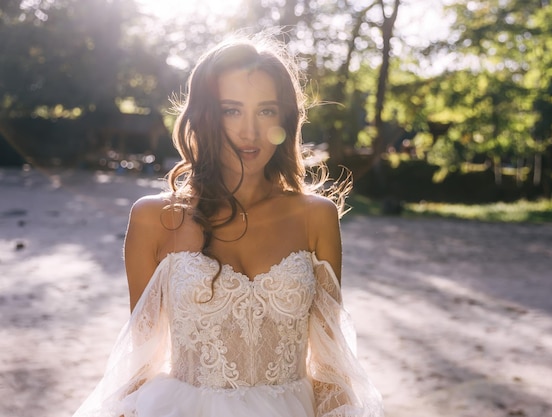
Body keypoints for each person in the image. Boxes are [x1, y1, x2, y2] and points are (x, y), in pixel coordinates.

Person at [72, 33, 383, 417]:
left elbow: (332, 365)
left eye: (266, 110)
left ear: (285, 119)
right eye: (231, 110)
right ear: (205, 116)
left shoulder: (315, 216)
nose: (249, 131)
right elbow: (141, 356)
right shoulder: (154, 218)